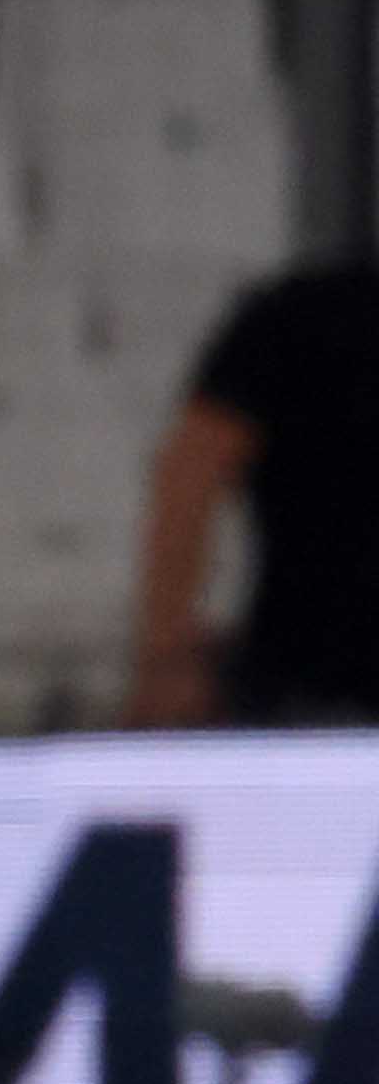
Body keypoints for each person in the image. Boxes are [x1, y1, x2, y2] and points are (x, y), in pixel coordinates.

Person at [128, 253, 379, 728]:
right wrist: (167, 655)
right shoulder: (301, 318)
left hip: (302, 684)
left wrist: (166, 654)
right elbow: (193, 470)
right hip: (308, 688)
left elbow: (189, 473)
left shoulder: (300, 315)